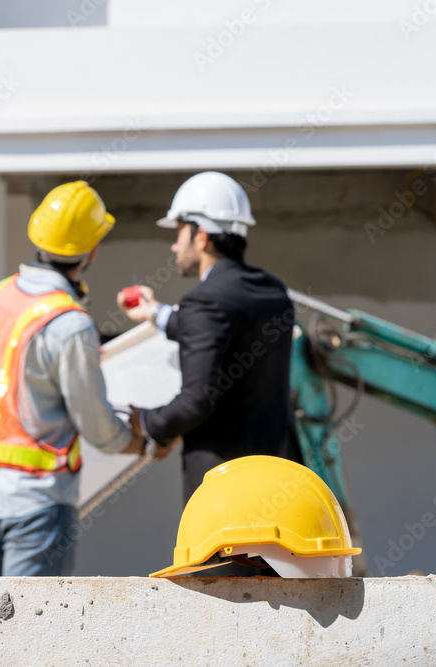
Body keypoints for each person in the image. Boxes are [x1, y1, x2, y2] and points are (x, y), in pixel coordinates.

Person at [0, 180, 174, 577]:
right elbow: (97, 428)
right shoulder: (69, 324)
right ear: (92, 250)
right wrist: (146, 445)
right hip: (38, 506)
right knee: (33, 633)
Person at [118, 171, 302, 576]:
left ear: (201, 235)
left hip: (226, 492)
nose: (173, 243)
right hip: (280, 481)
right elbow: (224, 328)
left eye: (179, 231)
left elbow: (197, 400)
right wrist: (156, 314)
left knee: (227, 600)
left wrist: (148, 423)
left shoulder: (204, 301)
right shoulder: (273, 293)